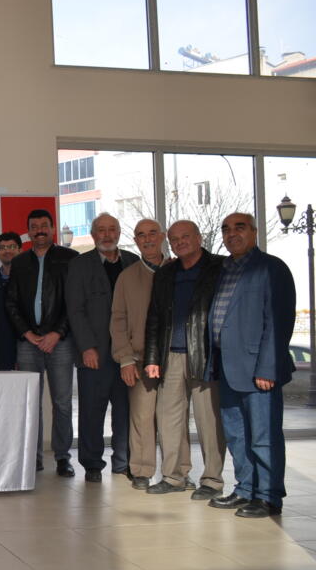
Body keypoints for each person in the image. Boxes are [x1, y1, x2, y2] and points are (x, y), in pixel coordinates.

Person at [207, 213, 295, 518]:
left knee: (263, 437)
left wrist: (268, 368)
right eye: (226, 229)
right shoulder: (224, 270)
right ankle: (245, 489)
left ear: (254, 232)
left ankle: (268, 496)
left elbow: (279, 322)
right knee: (237, 435)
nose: (231, 234)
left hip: (259, 371)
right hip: (227, 368)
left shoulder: (271, 268)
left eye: (239, 227)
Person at [143, 220, 225, 499]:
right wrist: (152, 358)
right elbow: (154, 317)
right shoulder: (166, 273)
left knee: (209, 421)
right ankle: (174, 477)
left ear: (199, 237)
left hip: (205, 354)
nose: (180, 242)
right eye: (175, 239)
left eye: (185, 237)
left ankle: (212, 480)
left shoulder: (219, 267)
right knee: (168, 419)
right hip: (170, 356)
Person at [65, 213, 139, 482]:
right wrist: (86, 347)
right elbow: (75, 309)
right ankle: (92, 464)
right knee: (92, 412)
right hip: (94, 352)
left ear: (119, 233)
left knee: (125, 411)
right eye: (101, 230)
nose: (107, 235)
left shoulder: (133, 261)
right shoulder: (79, 265)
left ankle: (123, 462)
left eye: (112, 230)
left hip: (128, 353)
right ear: (93, 234)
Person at [5, 209, 79, 475]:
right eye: (34, 226)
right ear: (28, 231)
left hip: (60, 341)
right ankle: (33, 457)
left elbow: (75, 301)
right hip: (28, 342)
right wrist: (27, 333)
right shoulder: (19, 262)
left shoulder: (70, 258)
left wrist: (57, 333)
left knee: (62, 402)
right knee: (30, 403)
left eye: (44, 225)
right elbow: (11, 302)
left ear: (53, 228)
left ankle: (62, 457)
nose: (39, 230)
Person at [110, 219, 170, 490]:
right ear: (135, 241)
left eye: (152, 234)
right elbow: (118, 320)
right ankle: (142, 470)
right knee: (142, 418)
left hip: (174, 358)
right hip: (138, 359)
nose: (147, 239)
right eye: (141, 235)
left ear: (162, 236)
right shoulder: (127, 277)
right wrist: (125, 359)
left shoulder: (177, 270)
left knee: (173, 419)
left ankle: (176, 473)